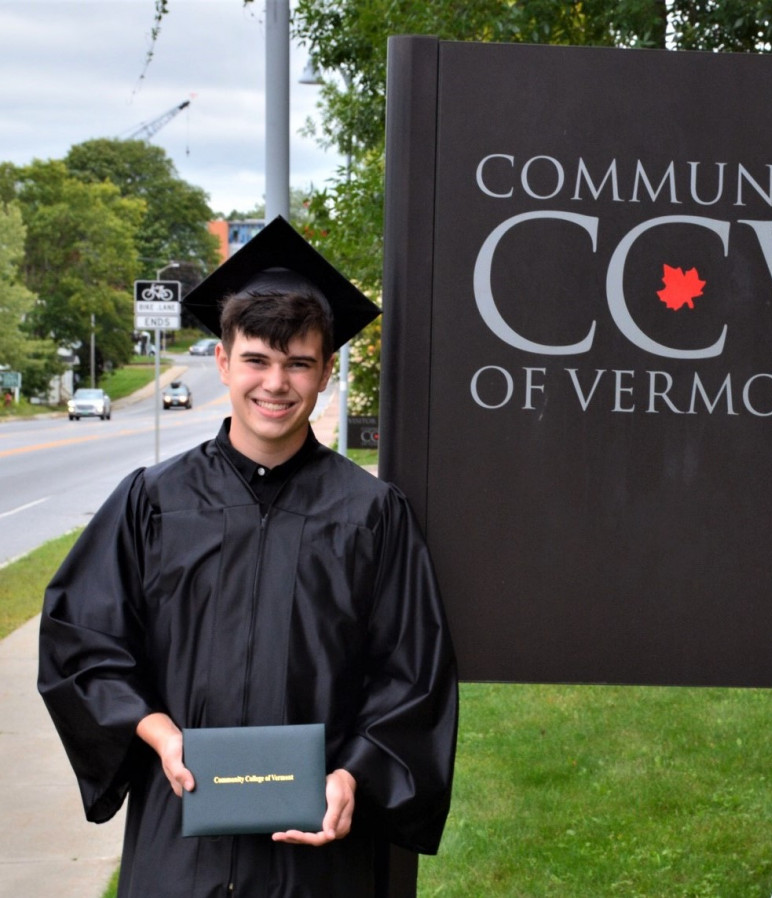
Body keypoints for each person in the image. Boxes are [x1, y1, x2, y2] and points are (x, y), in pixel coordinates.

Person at [37, 217, 458, 898]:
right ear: (225, 362)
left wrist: (353, 774)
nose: (276, 383)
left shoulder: (371, 513)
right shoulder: (153, 502)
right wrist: (157, 731)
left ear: (325, 371)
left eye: (298, 363)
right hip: (180, 837)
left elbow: (411, 674)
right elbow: (84, 643)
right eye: (258, 359)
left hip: (319, 850)